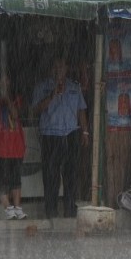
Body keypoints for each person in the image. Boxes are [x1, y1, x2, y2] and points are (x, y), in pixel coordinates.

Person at [31, 57, 90, 218]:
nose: (59, 70)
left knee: (71, 173)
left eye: (62, 67)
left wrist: (85, 131)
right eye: (56, 67)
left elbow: (81, 110)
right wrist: (52, 95)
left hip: (71, 134)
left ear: (66, 69)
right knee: (51, 175)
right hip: (50, 135)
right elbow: (35, 109)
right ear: (51, 70)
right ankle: (51, 210)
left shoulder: (74, 87)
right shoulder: (42, 87)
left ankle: (70, 208)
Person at [0, 72, 27, 220]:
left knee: (16, 177)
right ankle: (7, 208)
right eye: (1, 81)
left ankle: (17, 208)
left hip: (14, 145)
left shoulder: (16, 96)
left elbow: (16, 115)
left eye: (7, 80)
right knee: (2, 177)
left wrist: (8, 100)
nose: (5, 83)